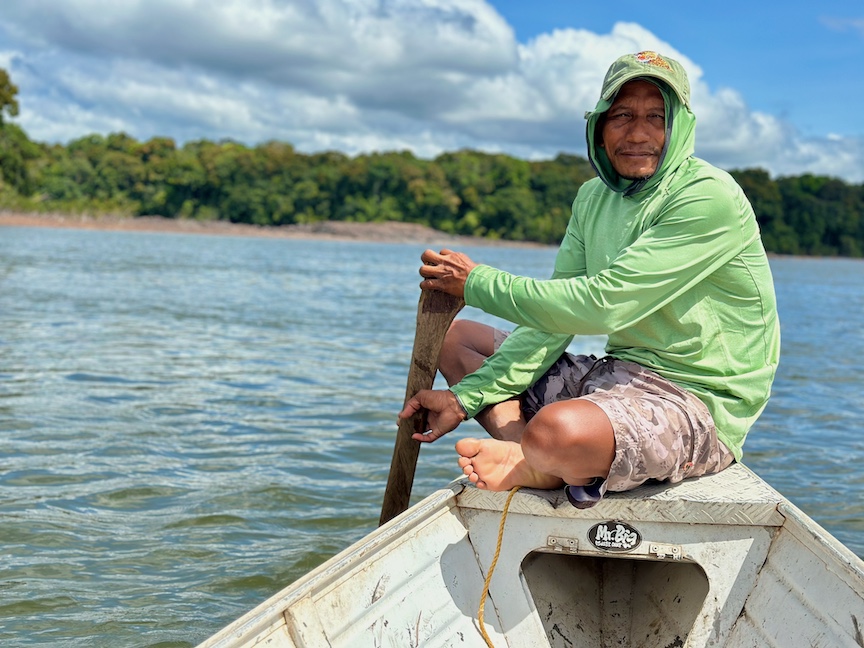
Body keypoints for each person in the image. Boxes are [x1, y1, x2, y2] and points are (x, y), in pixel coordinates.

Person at [398, 50, 780, 507]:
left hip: (693, 401)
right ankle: (534, 458)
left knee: (559, 430)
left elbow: (602, 305)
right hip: (615, 376)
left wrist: (476, 283)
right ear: (598, 125)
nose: (638, 133)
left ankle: (541, 459)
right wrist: (462, 400)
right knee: (458, 339)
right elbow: (554, 319)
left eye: (656, 117)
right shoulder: (592, 197)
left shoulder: (708, 196)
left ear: (679, 126)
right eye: (622, 115)